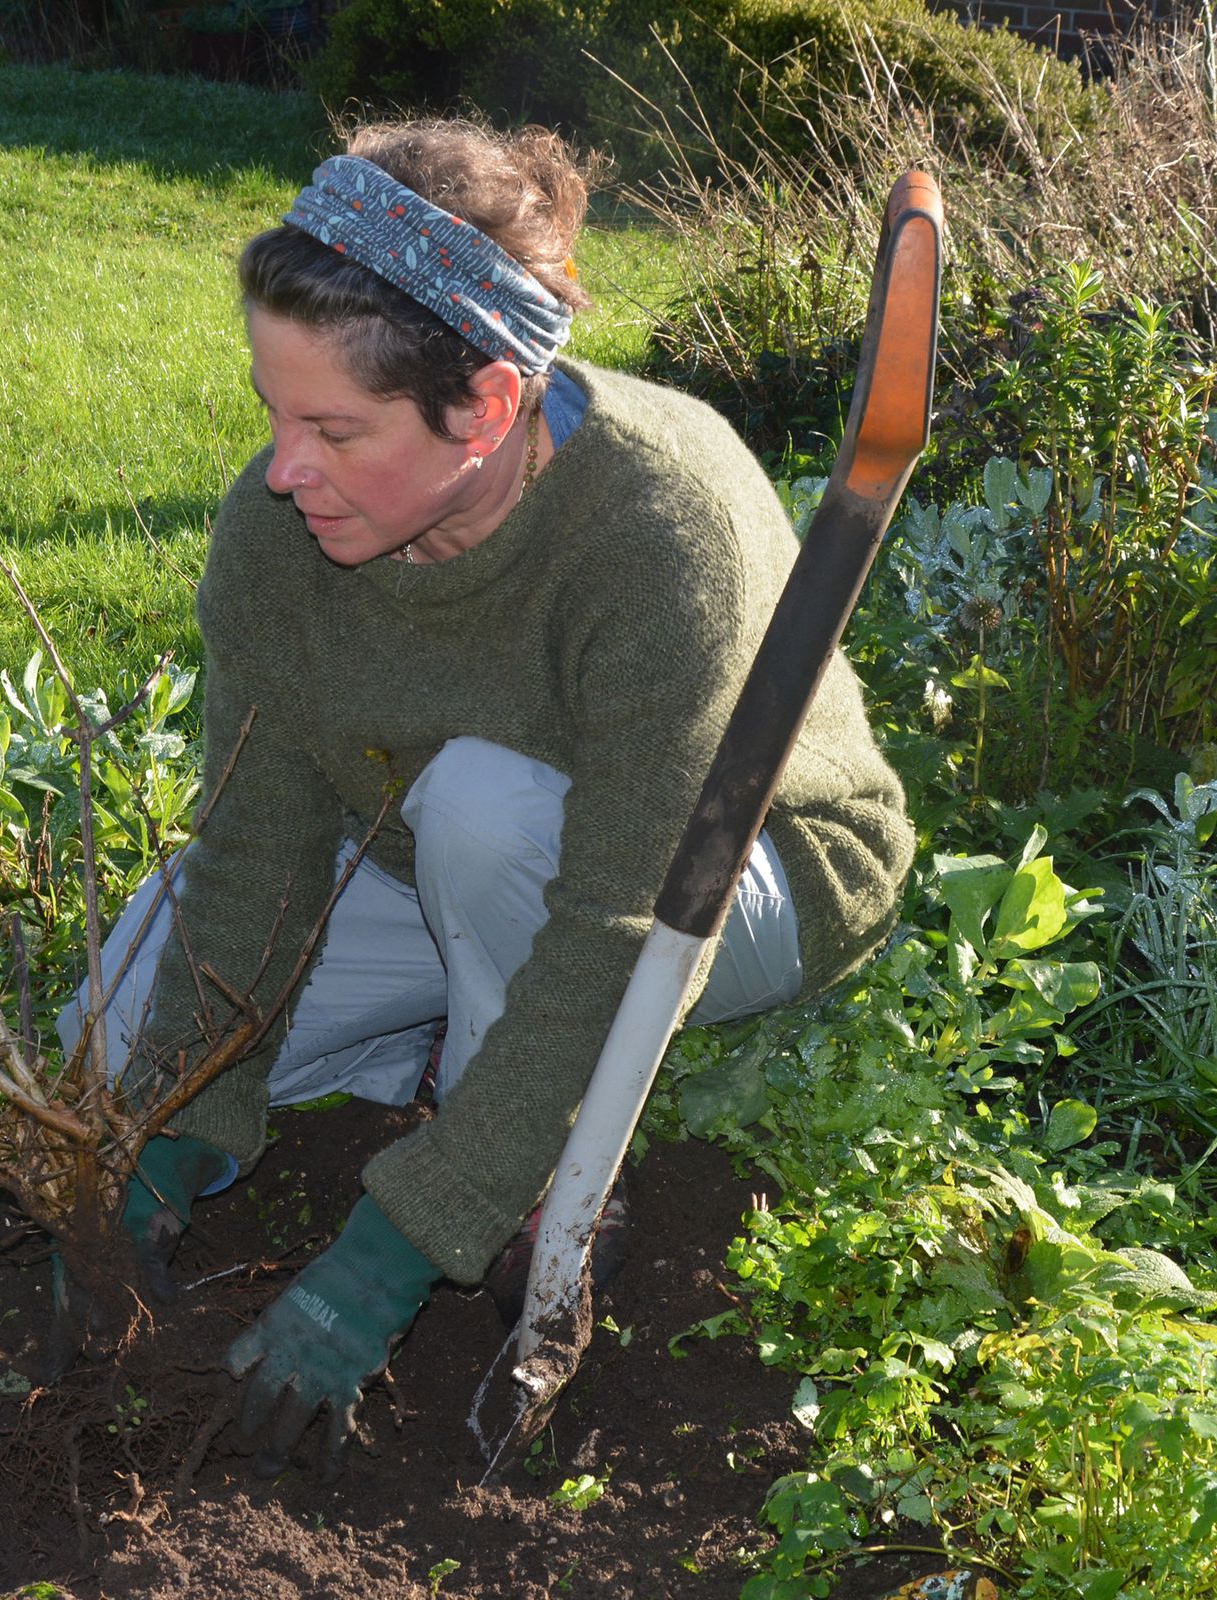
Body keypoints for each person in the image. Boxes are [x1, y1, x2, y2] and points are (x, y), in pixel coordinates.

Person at [58, 117, 913, 1479]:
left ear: (493, 407)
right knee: (105, 1048)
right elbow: (259, 839)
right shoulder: (277, 534)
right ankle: (458, 1048)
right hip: (436, 856)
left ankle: (537, 1175)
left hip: (737, 880)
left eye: (337, 428)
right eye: (275, 414)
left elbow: (622, 921)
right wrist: (173, 1118)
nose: (285, 468)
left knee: (482, 813)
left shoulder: (653, 533)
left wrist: (402, 1240)